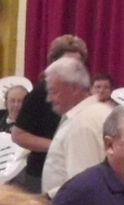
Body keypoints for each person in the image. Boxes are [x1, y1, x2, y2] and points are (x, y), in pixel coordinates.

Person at [10, 34, 88, 191]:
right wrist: (57, 146)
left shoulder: (82, 92)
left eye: (77, 64)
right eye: (67, 64)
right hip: (41, 172)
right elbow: (18, 135)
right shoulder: (40, 94)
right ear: (54, 63)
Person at [40, 56, 113, 197]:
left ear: (74, 89)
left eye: (53, 91)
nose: (49, 99)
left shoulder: (83, 122)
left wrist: (45, 198)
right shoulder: (94, 112)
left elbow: (83, 185)